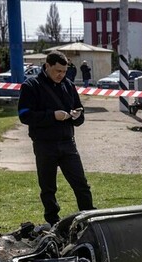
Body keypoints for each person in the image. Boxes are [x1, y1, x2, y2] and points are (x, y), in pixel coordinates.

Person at [18, 51, 95, 226]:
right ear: (47, 66)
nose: (61, 75)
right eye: (57, 71)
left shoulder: (68, 85)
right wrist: (52, 116)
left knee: (81, 184)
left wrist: (77, 115)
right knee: (48, 188)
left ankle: (89, 217)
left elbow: (80, 111)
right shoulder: (31, 86)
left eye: (64, 71)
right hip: (44, 144)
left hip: (68, 143)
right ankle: (53, 221)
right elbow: (24, 115)